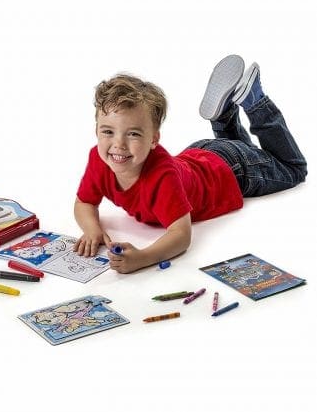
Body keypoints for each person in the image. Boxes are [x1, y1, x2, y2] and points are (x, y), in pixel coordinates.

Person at [73, 55, 307, 274]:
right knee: (247, 151)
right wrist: (92, 230)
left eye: (133, 134)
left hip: (233, 171)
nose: (118, 144)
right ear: (96, 131)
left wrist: (143, 257)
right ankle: (223, 114)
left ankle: (255, 101)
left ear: (154, 139)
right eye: (108, 132)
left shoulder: (161, 178)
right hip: (203, 156)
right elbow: (84, 202)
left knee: (294, 169)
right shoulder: (98, 159)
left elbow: (181, 235)